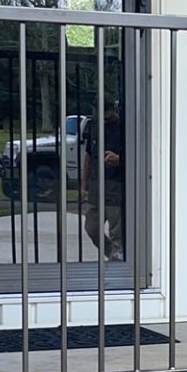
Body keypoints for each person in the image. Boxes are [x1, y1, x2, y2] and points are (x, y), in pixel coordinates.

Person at [79, 102, 126, 261]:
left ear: (112, 110)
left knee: (116, 231)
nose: (101, 118)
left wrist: (119, 158)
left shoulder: (123, 128)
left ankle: (117, 259)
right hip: (96, 187)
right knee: (91, 228)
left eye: (104, 113)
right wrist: (84, 184)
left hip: (115, 185)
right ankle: (113, 253)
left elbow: (135, 156)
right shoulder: (95, 127)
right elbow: (88, 156)